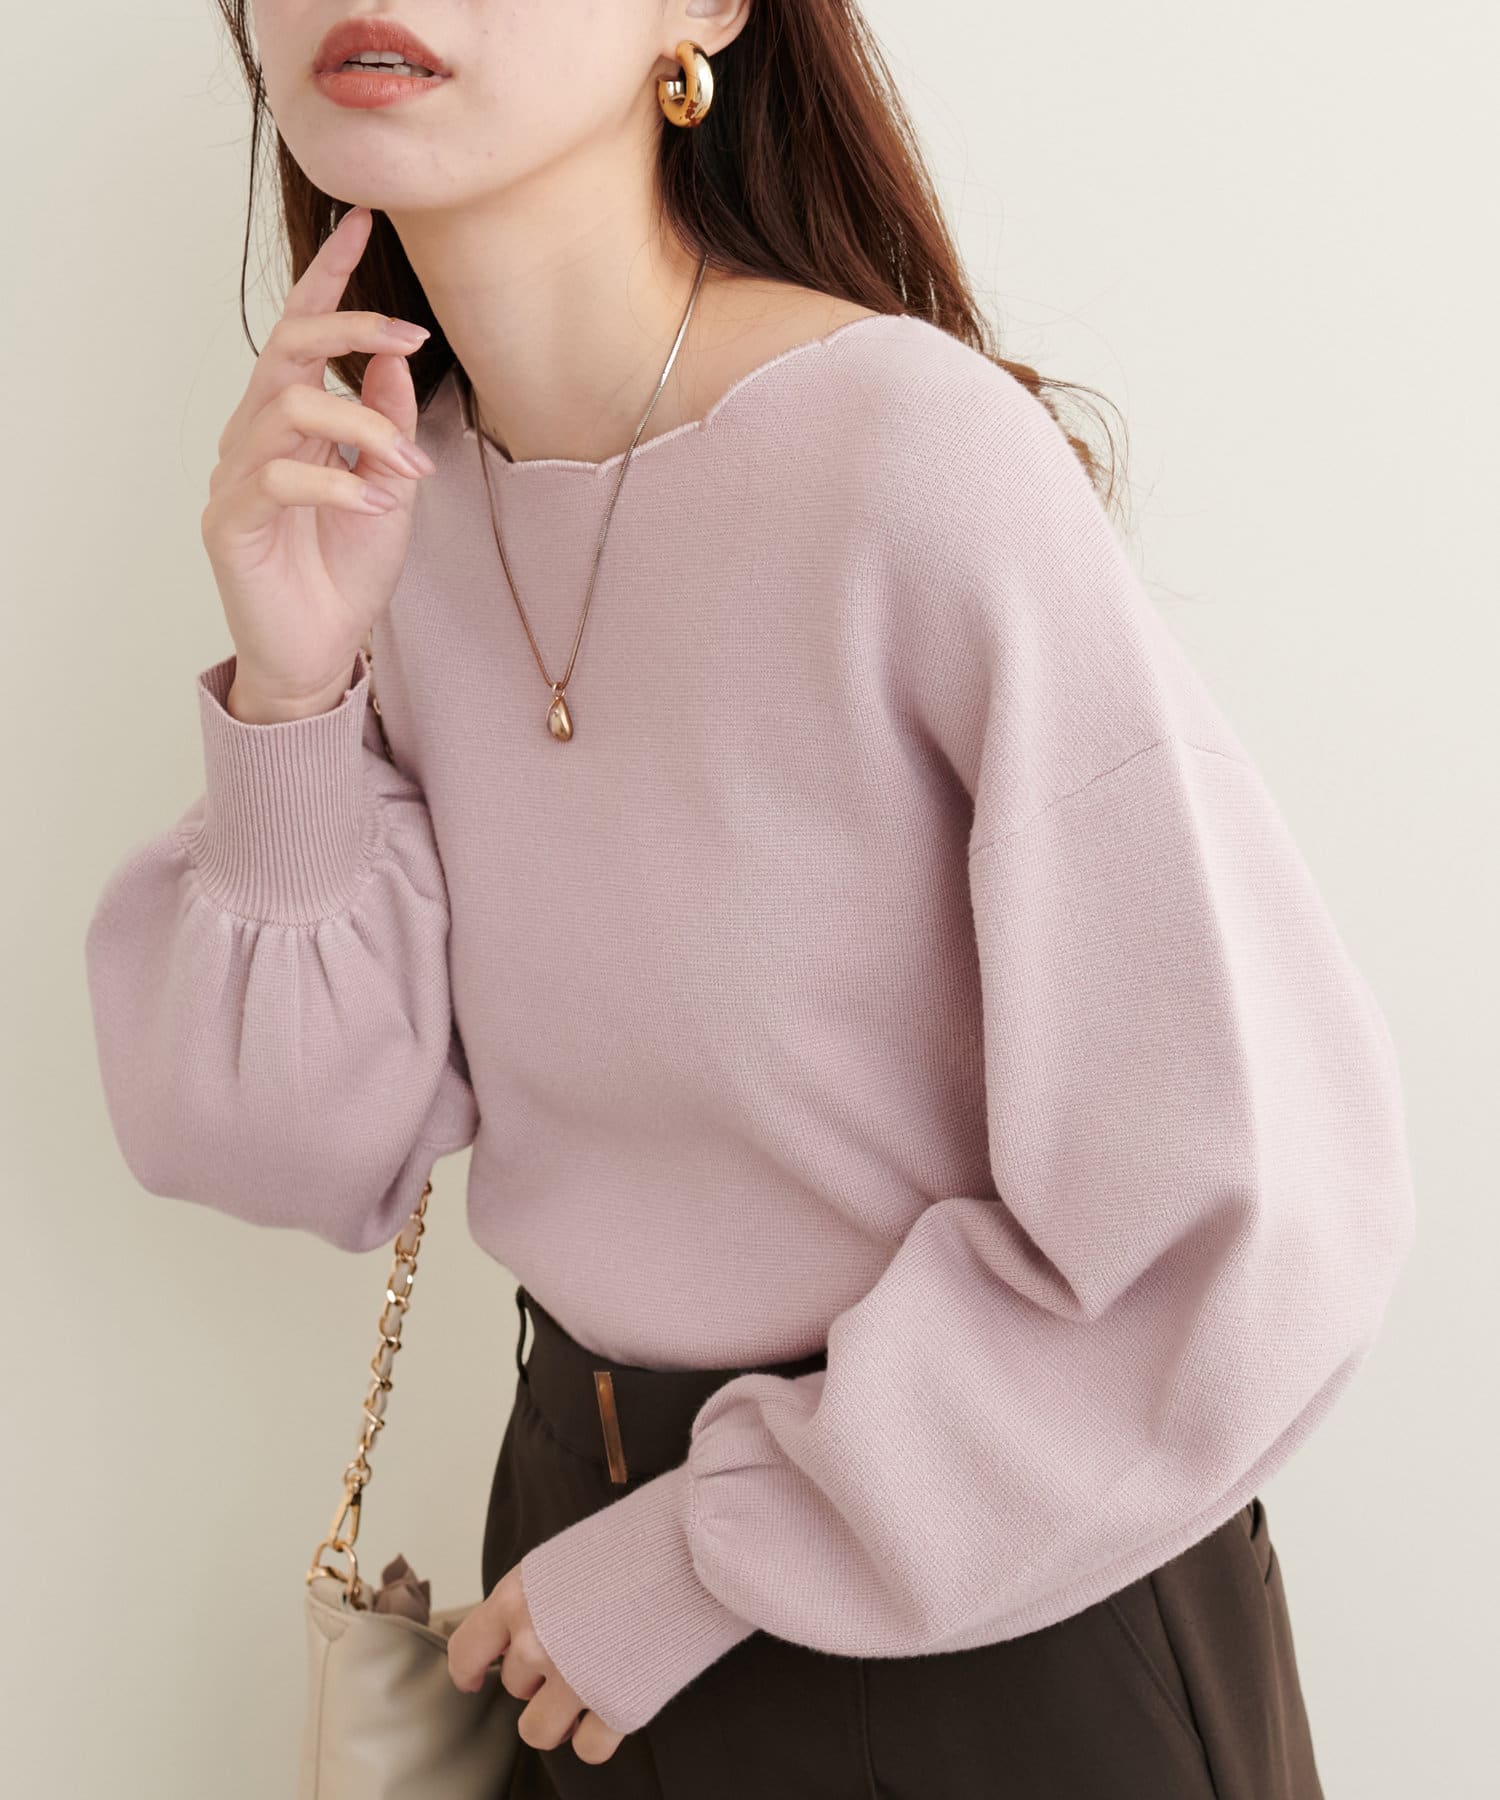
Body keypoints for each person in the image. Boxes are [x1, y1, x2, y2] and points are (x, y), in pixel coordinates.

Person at [83, 4, 1416, 1796]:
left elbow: (1249, 1217)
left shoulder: (908, 457)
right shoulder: (389, 509)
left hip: (988, 1632)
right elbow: (285, 1152)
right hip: (573, 1601)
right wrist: (292, 692)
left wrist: (715, 1551)